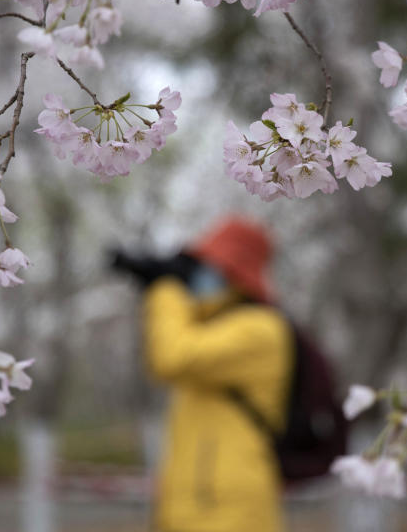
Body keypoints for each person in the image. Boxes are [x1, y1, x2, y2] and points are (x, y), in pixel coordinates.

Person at [114, 217, 293, 532]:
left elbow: (172, 357)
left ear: (234, 272)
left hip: (230, 514)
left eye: (206, 265)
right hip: (192, 510)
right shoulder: (209, 326)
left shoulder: (262, 329)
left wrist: (165, 289)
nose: (197, 276)